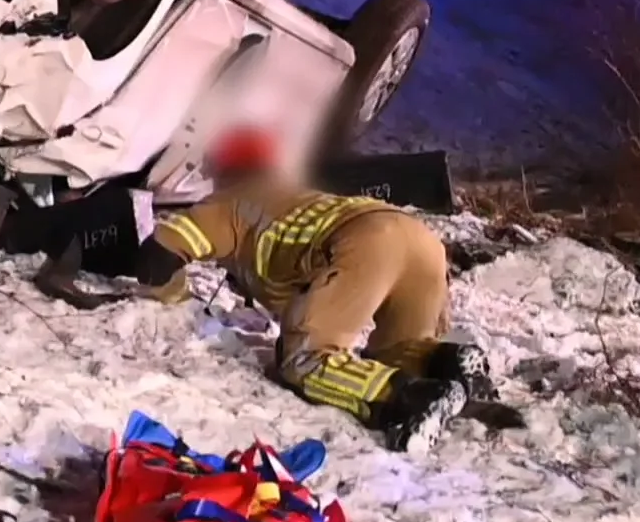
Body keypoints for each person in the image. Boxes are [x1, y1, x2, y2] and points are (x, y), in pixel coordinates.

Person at [126, 126, 498, 454]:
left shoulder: (231, 202)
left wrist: (172, 300)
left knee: (305, 359)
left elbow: (161, 250)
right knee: (395, 353)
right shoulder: (291, 194)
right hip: (422, 242)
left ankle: (405, 399)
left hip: (366, 241)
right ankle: (446, 363)